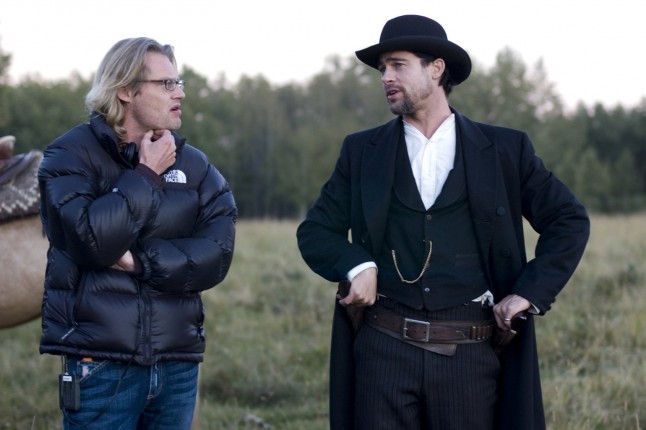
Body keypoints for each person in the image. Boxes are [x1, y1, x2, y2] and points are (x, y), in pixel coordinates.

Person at [296, 14, 589, 430]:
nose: (385, 77)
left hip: (470, 355)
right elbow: (315, 231)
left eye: (398, 65)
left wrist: (528, 292)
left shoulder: (505, 149)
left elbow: (568, 219)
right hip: (382, 351)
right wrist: (356, 264)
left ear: (436, 69)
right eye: (382, 69)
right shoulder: (362, 151)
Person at [38, 37, 237, 429]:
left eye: (179, 83)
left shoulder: (195, 166)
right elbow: (91, 242)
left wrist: (140, 261)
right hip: (100, 364)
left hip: (177, 364)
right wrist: (146, 174)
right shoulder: (69, 156)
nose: (180, 93)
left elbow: (217, 254)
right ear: (126, 90)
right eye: (167, 84)